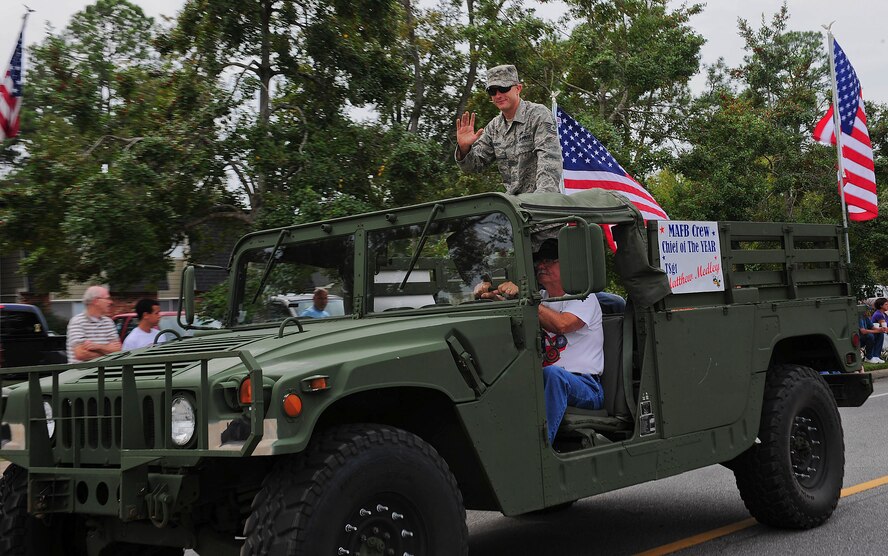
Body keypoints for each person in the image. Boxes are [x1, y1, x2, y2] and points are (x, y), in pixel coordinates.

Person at [475, 239, 604, 443]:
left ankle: (540, 449)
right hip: (542, 381)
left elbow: (561, 324)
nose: (541, 265)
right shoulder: (540, 297)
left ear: (568, 265)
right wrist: (490, 296)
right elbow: (517, 313)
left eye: (549, 260)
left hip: (586, 386)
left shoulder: (584, 297)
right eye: (539, 261)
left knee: (553, 375)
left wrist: (525, 297)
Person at [454, 64, 562, 195]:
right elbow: (473, 167)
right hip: (513, 206)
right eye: (492, 91)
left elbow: (549, 160)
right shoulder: (494, 128)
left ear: (518, 88)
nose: (498, 95)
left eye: (503, 88)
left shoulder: (538, 115)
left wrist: (540, 200)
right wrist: (464, 149)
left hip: (539, 204)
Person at [66, 286, 122, 363]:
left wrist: (97, 346)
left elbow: (118, 350)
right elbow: (80, 354)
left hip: (105, 373)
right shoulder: (77, 322)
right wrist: (107, 351)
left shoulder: (108, 322)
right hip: (81, 374)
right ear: (96, 301)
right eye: (107, 298)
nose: (110, 302)